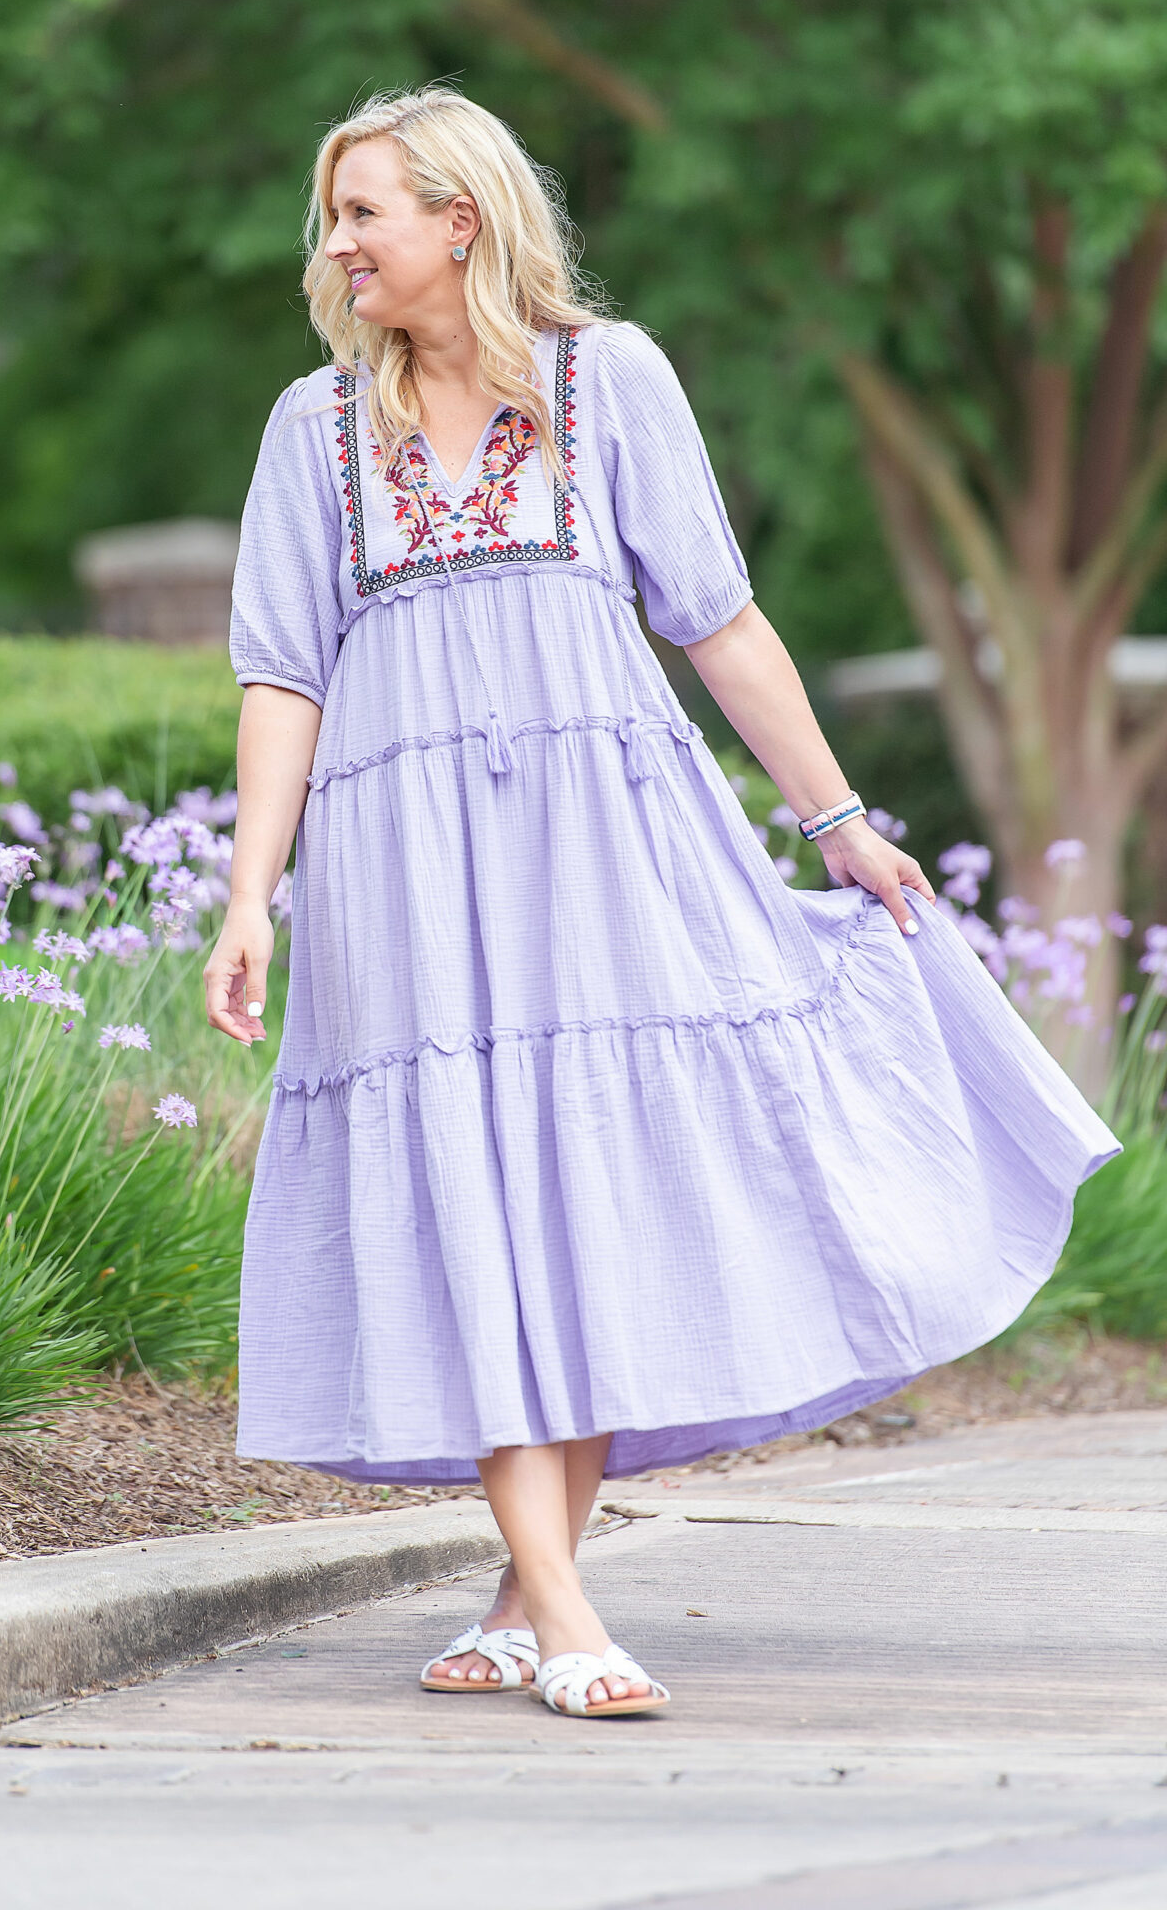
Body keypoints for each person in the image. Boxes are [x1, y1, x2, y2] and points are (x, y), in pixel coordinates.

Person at [204, 86, 1117, 1719]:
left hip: (606, 833)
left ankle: (513, 1592)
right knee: (465, 1176)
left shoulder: (605, 381)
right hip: (408, 860)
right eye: (330, 218)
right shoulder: (311, 429)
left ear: (460, 221)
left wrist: (838, 820)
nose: (335, 248)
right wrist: (250, 895)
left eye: (364, 215)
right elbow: (285, 673)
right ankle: (560, 1606)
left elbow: (720, 618)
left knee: (580, 1174)